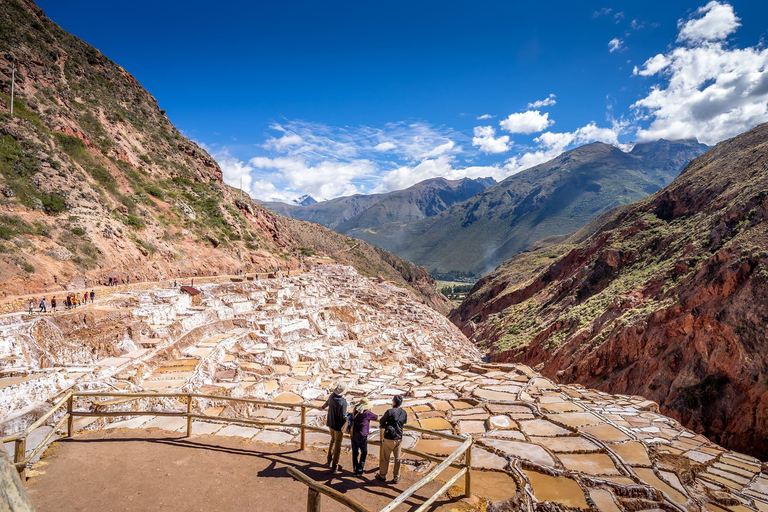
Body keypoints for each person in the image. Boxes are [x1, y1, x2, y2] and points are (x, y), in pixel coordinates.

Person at [377, 395, 407, 484]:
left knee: (385, 457)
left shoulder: (389, 411)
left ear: (394, 402)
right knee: (397, 458)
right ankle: (396, 477)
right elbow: (404, 422)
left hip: (389, 438)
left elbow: (381, 421)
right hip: (399, 438)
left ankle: (382, 475)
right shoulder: (404, 412)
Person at [321, 382, 348, 473]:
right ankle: (334, 466)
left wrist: (322, 407)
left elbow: (326, 403)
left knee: (332, 440)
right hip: (338, 426)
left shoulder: (332, 396)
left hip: (330, 423)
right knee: (337, 445)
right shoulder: (343, 402)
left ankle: (329, 461)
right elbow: (343, 416)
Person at [350, 397, 378, 476]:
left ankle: (355, 470)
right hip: (362, 435)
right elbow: (376, 417)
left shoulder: (355, 411)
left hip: (353, 433)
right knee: (364, 452)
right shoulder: (367, 413)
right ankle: (360, 469)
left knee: (355, 452)